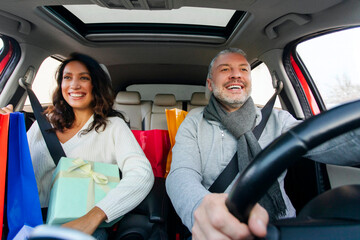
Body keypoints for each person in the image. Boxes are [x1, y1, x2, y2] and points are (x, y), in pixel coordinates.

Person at [165, 48, 360, 240]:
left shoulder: (278, 119)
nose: (236, 75)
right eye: (225, 69)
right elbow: (181, 173)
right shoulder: (194, 122)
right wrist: (200, 207)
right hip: (218, 229)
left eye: (243, 69)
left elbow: (328, 143)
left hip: (281, 226)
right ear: (209, 83)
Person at [0, 53, 155, 239]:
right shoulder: (43, 122)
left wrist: (95, 216)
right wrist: (6, 132)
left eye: (84, 78)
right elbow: (17, 172)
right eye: (67, 77)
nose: (74, 85)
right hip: (30, 222)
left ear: (96, 85)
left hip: (85, 225)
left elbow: (142, 174)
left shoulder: (114, 127)